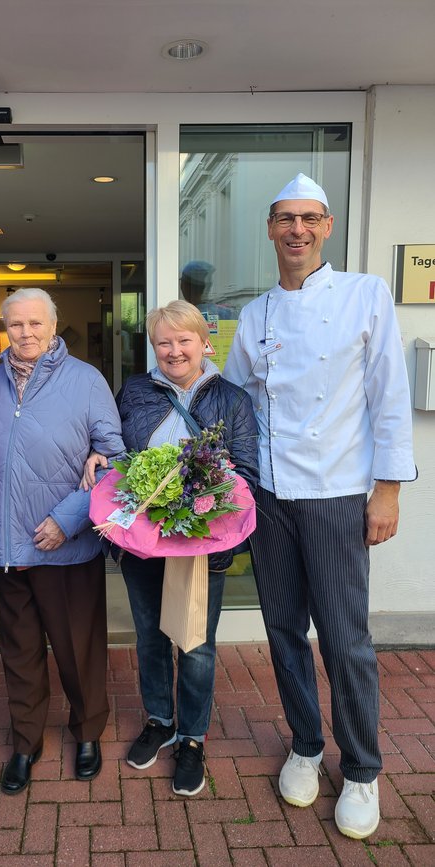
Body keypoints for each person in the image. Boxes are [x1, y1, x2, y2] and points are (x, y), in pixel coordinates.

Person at [223, 173, 416, 839]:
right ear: (271, 230)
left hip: (337, 492)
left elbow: (389, 391)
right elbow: (236, 404)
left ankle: (361, 768)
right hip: (272, 495)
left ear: (327, 227)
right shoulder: (254, 314)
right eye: (285, 218)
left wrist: (387, 487)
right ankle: (306, 744)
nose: (297, 229)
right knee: (282, 630)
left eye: (309, 218)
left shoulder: (366, 294)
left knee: (345, 639)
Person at [90, 300, 258, 796]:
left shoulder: (231, 400)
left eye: (183, 340)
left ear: (204, 341)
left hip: (203, 547)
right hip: (143, 545)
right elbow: (117, 455)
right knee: (151, 637)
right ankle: (160, 720)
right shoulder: (136, 392)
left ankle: (192, 738)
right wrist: (101, 456)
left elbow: (245, 474)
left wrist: (202, 509)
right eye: (163, 341)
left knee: (198, 645)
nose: (173, 350)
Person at [0, 287, 124, 795]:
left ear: (53, 326)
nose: (26, 333)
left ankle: (87, 732)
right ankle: (26, 741)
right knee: (19, 649)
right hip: (8, 547)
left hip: (65, 545)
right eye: (16, 324)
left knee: (77, 649)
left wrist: (68, 519)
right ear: (5, 328)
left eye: (36, 324)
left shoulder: (86, 380)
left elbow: (113, 459)